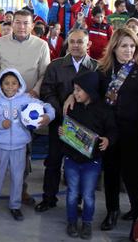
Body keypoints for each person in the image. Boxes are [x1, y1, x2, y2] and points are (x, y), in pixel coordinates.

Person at [68, 28, 138, 231]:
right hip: (108, 131)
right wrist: (71, 95)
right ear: (114, 47)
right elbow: (86, 89)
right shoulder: (103, 70)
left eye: (132, 46)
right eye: (124, 45)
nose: (128, 50)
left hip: (133, 133)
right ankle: (112, 211)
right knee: (110, 173)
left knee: (133, 175)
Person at [0, 9, 51, 205]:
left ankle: (21, 188)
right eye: (18, 22)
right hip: (2, 102)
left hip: (26, 106)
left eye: (26, 23)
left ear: (32, 25)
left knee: (25, 150)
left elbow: (44, 73)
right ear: (11, 23)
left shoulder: (42, 45)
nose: (22, 26)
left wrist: (35, 92)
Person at [36, 29, 99, 213]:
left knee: (80, 164)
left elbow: (99, 95)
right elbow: (47, 91)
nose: (76, 45)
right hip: (59, 123)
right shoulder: (55, 67)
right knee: (53, 161)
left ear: (89, 45)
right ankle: (49, 198)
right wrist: (61, 109)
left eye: (80, 42)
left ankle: (77, 202)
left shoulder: (97, 67)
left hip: (84, 127)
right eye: (72, 42)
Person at [0, 69, 54, 221]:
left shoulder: (26, 99)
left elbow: (47, 106)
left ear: (19, 84)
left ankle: (15, 206)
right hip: (1, 146)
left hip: (20, 146)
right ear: (0, 85)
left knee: (17, 176)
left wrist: (48, 116)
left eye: (14, 83)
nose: (10, 86)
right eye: (6, 83)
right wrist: (0, 124)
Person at [61, 72, 117, 239]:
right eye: (74, 90)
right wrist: (62, 132)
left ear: (90, 91)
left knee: (88, 195)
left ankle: (87, 223)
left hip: (92, 162)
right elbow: (66, 129)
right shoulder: (72, 107)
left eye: (79, 90)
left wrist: (108, 140)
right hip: (71, 159)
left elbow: (113, 130)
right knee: (71, 194)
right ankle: (71, 221)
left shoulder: (103, 111)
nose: (75, 94)